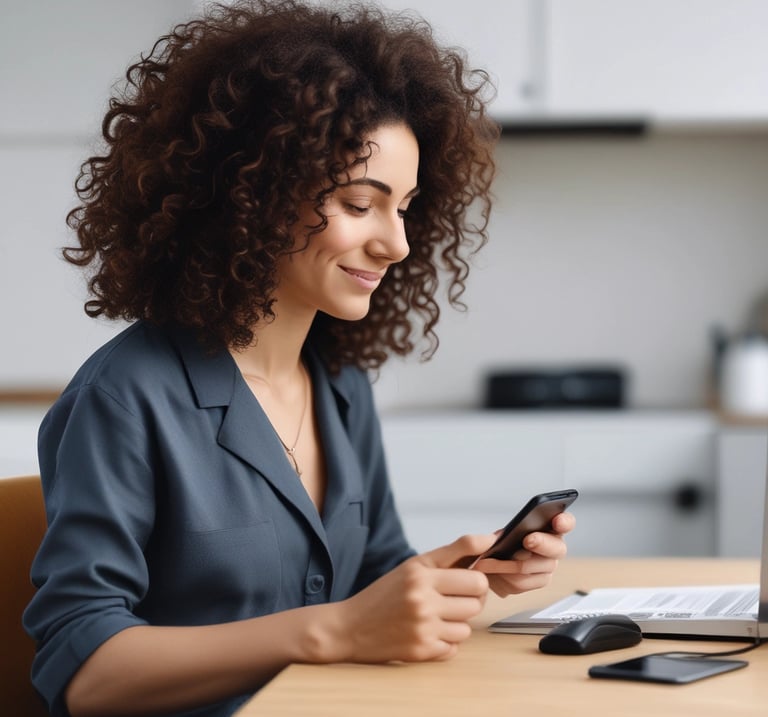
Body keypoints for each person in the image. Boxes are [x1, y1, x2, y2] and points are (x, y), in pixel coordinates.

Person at [24, 1, 575, 715]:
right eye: (358, 202)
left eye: (404, 207)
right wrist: (334, 630)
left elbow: (370, 577)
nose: (397, 244)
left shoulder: (340, 384)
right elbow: (85, 671)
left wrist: (453, 577)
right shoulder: (126, 394)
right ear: (251, 194)